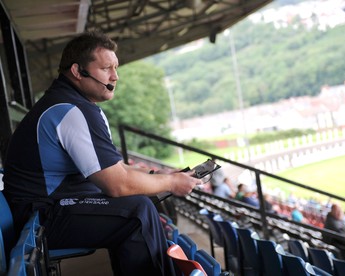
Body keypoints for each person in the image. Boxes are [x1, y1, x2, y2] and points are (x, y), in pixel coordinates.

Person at [2, 31, 202, 276]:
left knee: (142, 203)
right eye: (106, 68)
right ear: (78, 71)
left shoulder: (71, 104)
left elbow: (114, 168)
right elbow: (116, 185)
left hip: (42, 211)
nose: (115, 76)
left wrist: (157, 174)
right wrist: (171, 182)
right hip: (39, 217)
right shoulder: (72, 110)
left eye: (115, 68)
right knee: (137, 213)